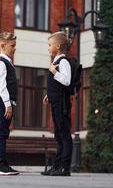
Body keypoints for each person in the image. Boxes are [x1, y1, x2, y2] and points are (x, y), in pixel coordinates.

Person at [41, 31, 72, 176]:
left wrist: (54, 72)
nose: (48, 48)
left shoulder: (63, 62)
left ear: (58, 46)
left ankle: (65, 168)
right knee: (58, 135)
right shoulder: (56, 62)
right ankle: (57, 166)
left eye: (49, 45)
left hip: (62, 105)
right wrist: (49, 95)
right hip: (56, 102)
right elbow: (57, 85)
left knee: (64, 135)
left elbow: (66, 81)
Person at [0, 32, 19, 175]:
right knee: (2, 133)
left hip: (6, 103)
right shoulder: (2, 63)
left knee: (3, 133)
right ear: (3, 46)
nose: (15, 48)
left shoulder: (7, 62)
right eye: (12, 45)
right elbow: (1, 85)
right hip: (2, 103)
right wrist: (8, 104)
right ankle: (0, 165)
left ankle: (2, 162)